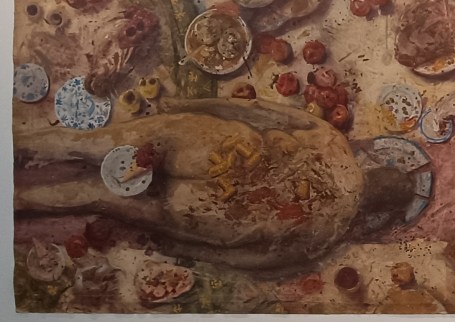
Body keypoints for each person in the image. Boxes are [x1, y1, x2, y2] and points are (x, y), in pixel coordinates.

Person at [15, 98, 365, 270]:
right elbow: (266, 258)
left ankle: (16, 149)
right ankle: (19, 198)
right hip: (214, 211)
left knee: (84, 145)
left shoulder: (333, 142)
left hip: (213, 150)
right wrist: (196, 251)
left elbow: (260, 111)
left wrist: (191, 105)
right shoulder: (333, 228)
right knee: (95, 196)